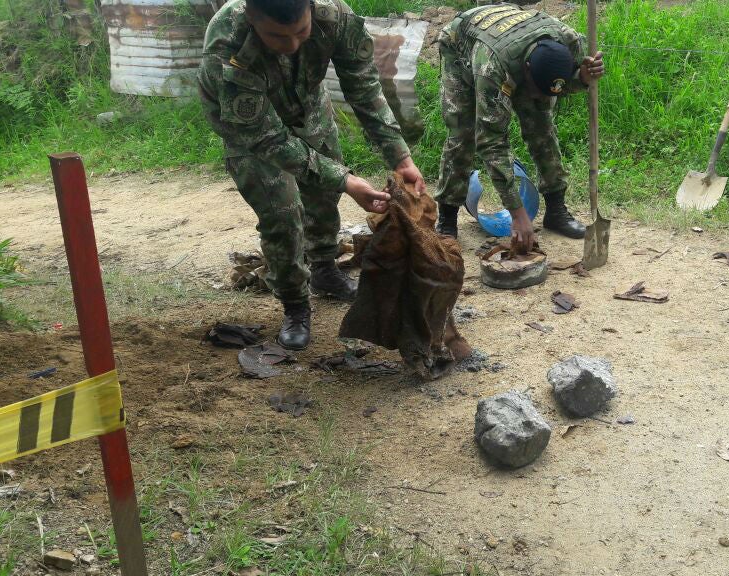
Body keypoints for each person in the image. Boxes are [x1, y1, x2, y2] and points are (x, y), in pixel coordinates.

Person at [198, 0, 425, 350]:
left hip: (310, 109)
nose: (291, 46)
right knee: (282, 216)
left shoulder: (335, 16)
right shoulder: (227, 45)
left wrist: (399, 154)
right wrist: (346, 179)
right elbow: (267, 138)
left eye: (301, 32)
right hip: (252, 131)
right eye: (276, 36)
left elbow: (362, 84)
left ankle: (324, 268)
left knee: (322, 198)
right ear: (252, 18)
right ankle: (295, 304)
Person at [433, 3, 605, 251]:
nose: (533, 97)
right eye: (534, 89)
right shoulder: (492, 66)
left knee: (542, 126)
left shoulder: (571, 43)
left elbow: (563, 84)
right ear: (526, 70)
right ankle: (447, 218)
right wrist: (517, 213)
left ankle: (556, 210)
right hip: (463, 42)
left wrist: (582, 79)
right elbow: (491, 142)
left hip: (515, 48)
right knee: (463, 133)